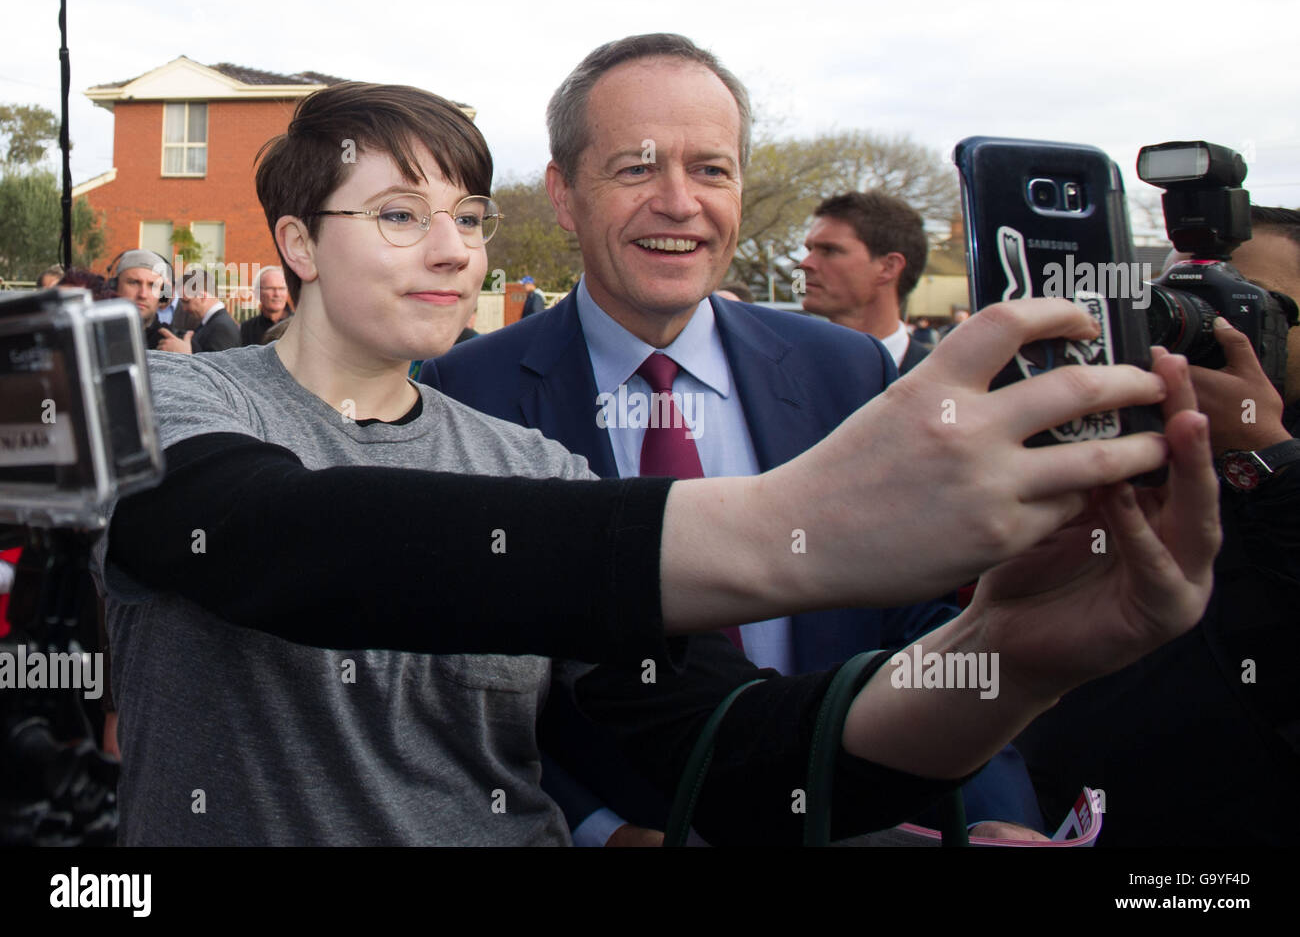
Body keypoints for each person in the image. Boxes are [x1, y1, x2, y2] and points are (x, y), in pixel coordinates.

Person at [93, 75, 1217, 847]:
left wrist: (1007, 657)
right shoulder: (172, 399)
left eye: (469, 216)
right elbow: (292, 542)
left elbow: (737, 756)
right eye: (398, 214)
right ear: (296, 242)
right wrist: (804, 526)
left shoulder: (537, 468)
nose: (450, 248)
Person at [425, 33, 1044, 843]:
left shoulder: (847, 373)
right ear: (565, 194)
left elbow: (919, 624)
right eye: (638, 168)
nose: (680, 202)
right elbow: (459, 681)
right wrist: (596, 826)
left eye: (711, 169)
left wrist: (991, 811)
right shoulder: (464, 397)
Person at [1016, 206, 1300, 845]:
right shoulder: (1124, 446)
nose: (1203, 324)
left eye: (1246, 305)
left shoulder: (1261, 453)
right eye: (1181, 297)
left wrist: (1260, 452)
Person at [798, 191, 932, 373]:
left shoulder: (947, 384)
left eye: (829, 250)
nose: (805, 263)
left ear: (888, 267)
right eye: (809, 250)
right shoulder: (778, 373)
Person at [157, 267, 241, 354]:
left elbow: (219, 366)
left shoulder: (222, 328)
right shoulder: (213, 323)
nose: (184, 309)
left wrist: (187, 354)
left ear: (202, 297)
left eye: (186, 302)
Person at [108, 249, 172, 350]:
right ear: (115, 286)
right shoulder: (94, 337)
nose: (142, 295)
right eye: (133, 282)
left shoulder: (181, 343)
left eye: (152, 285)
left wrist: (187, 357)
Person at [240, 266, 293, 345]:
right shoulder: (246, 329)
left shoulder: (298, 325)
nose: (277, 294)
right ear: (257, 293)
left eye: (282, 288)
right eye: (270, 288)